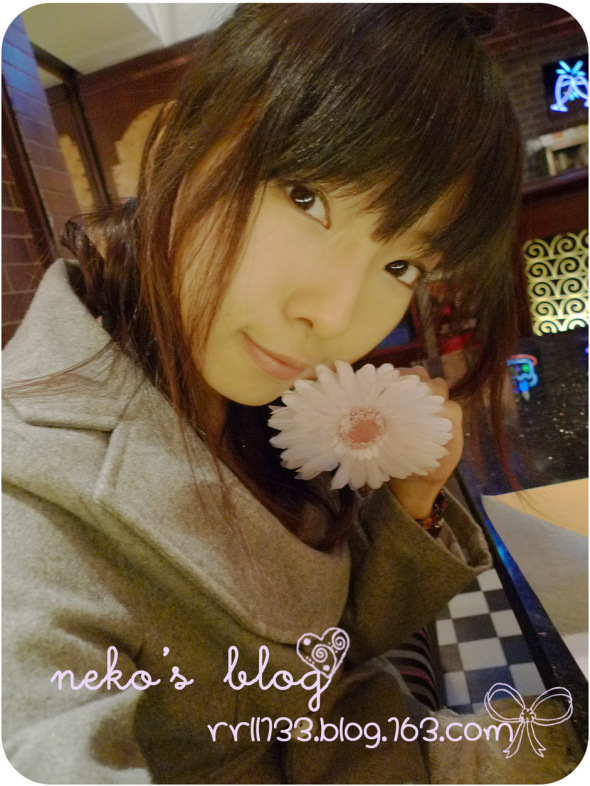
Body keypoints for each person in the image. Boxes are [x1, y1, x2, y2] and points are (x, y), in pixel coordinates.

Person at [2, 4, 581, 783]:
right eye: (307, 197)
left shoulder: (250, 397)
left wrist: (409, 506)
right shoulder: (28, 492)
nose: (336, 317)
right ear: (183, 142)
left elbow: (313, 655)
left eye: (402, 265)